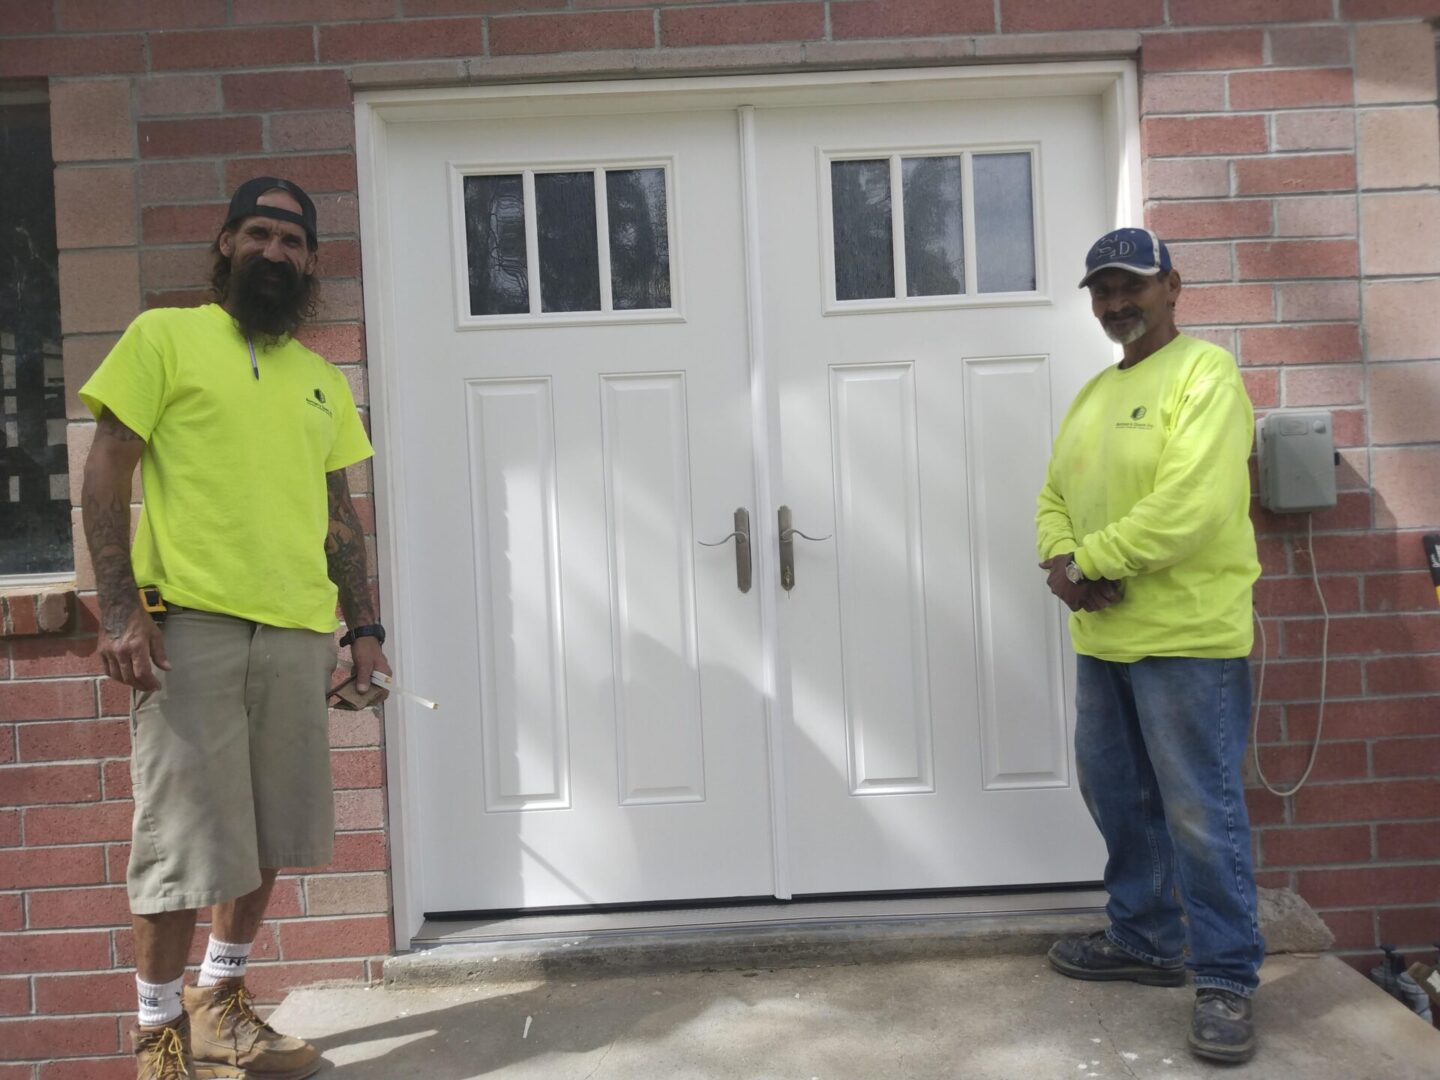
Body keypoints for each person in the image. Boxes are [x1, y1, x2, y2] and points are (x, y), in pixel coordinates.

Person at [80, 177, 391, 1080]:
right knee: (181, 845)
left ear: (310, 264)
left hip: (296, 633)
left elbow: (340, 517)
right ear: (225, 244)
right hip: (193, 630)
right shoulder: (163, 337)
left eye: (293, 242)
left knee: (267, 836)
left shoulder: (322, 379)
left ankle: (220, 1001)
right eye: (259, 234)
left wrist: (362, 625)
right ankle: (157, 1037)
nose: (276, 253)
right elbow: (105, 479)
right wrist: (119, 608)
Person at [1035, 227, 1264, 1064]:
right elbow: (1054, 492)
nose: (1115, 303)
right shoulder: (1095, 393)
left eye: (1131, 285)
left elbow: (1191, 507)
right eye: (1101, 290)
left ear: (1173, 285)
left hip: (1189, 641)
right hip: (1107, 637)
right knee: (1118, 797)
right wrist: (1060, 561)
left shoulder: (1207, 375)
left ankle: (1229, 979)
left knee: (1201, 813)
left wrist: (1088, 562)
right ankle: (1145, 940)